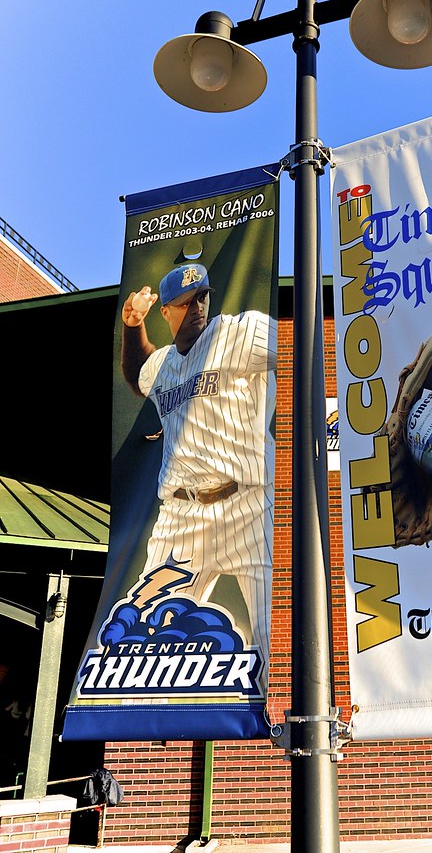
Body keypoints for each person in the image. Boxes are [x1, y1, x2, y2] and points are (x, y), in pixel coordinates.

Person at [119, 262, 276, 664]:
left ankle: (278, 724)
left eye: (201, 297)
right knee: (142, 639)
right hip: (182, 516)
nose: (198, 308)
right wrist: (134, 323)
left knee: (271, 635)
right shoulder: (165, 363)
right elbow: (138, 372)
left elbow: (299, 344)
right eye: (186, 303)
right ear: (167, 312)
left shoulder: (236, 332)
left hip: (246, 506)